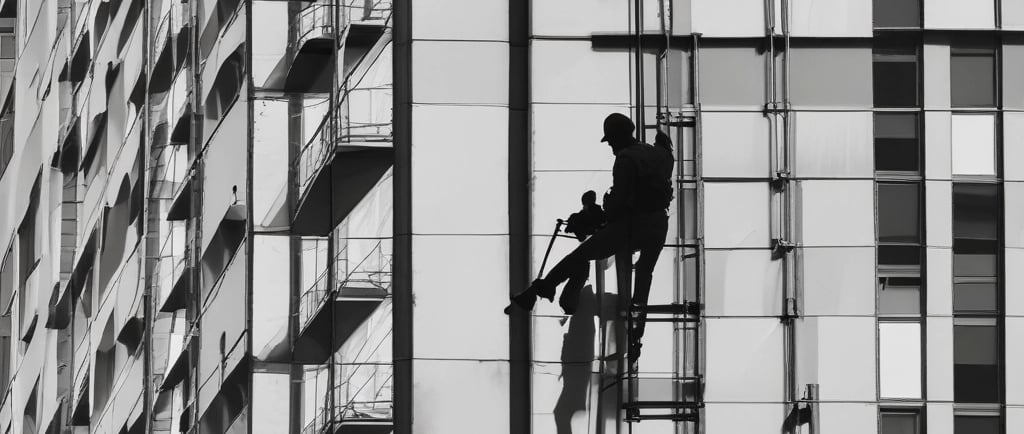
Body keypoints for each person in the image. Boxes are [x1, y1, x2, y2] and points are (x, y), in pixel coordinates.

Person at [512, 113, 673, 363]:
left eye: (610, 141)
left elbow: (618, 202)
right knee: (644, 275)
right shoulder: (659, 153)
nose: (610, 146)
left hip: (632, 225)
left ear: (618, 137)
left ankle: (543, 288)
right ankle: (636, 334)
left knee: (582, 254)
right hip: (658, 224)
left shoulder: (625, 160)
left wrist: (606, 207)